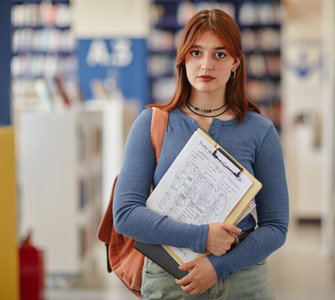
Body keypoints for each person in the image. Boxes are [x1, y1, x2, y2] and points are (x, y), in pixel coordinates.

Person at [113, 9, 289, 300]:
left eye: (219, 55)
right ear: (182, 59)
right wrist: (202, 236)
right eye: (196, 53)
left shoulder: (261, 130)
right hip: (172, 280)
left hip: (243, 280)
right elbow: (126, 215)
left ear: (235, 63)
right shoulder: (152, 123)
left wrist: (219, 267)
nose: (206, 64)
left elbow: (276, 226)